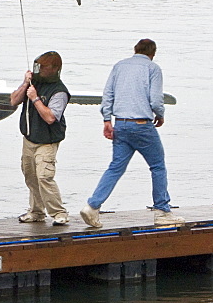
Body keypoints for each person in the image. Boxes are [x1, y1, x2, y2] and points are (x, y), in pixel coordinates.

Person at [80, 38, 185, 229]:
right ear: (153, 53)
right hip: (142, 125)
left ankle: (92, 206)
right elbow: (155, 100)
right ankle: (162, 211)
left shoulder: (119, 66)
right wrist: (160, 115)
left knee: (115, 167)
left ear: (135, 50)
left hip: (120, 124)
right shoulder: (153, 68)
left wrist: (106, 120)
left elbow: (108, 94)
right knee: (158, 166)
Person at [10, 51, 70, 225]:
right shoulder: (33, 83)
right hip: (29, 138)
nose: (40, 70)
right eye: (39, 66)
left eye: (44, 67)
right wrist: (25, 83)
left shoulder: (59, 91)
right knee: (30, 175)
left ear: (54, 69)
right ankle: (36, 211)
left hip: (47, 140)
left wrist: (35, 98)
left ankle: (59, 212)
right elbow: (13, 101)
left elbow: (50, 117)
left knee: (44, 176)